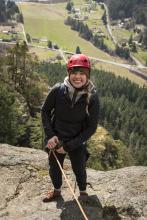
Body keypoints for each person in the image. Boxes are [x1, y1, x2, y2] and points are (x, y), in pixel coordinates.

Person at [41, 54, 99, 202]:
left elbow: (91, 127)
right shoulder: (58, 90)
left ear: (87, 75)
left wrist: (70, 145)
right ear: (69, 73)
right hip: (57, 137)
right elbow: (45, 111)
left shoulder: (92, 97)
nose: (77, 77)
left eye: (82, 73)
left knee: (79, 168)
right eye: (74, 72)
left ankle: (83, 193)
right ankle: (57, 191)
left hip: (77, 140)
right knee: (54, 168)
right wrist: (50, 135)